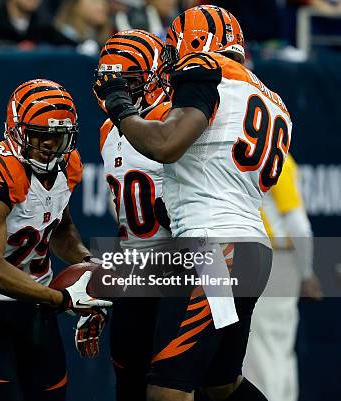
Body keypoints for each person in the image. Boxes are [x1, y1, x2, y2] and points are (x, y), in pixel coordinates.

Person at [94, 5, 291, 401]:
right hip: (251, 247)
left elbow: (166, 144)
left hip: (211, 249)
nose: (170, 60)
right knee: (220, 383)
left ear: (198, 43)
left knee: (168, 389)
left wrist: (121, 108)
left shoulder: (204, 67)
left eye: (173, 48)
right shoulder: (272, 99)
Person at [0, 78, 111, 401]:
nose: (51, 147)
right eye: (41, 137)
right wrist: (63, 299)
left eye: (58, 137)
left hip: (37, 306)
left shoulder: (69, 166)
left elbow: (59, 229)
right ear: (17, 131)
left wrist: (87, 271)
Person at [94, 29, 172, 401]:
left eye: (128, 83)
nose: (117, 94)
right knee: (128, 384)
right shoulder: (108, 131)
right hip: (136, 272)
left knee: (190, 384)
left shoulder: (176, 119)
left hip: (182, 267)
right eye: (111, 83)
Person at [243, 154, 322, 401]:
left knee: (261, 353)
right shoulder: (276, 156)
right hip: (280, 262)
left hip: (267, 260)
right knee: (279, 351)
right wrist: (304, 272)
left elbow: (299, 226)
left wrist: (306, 273)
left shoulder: (271, 158)